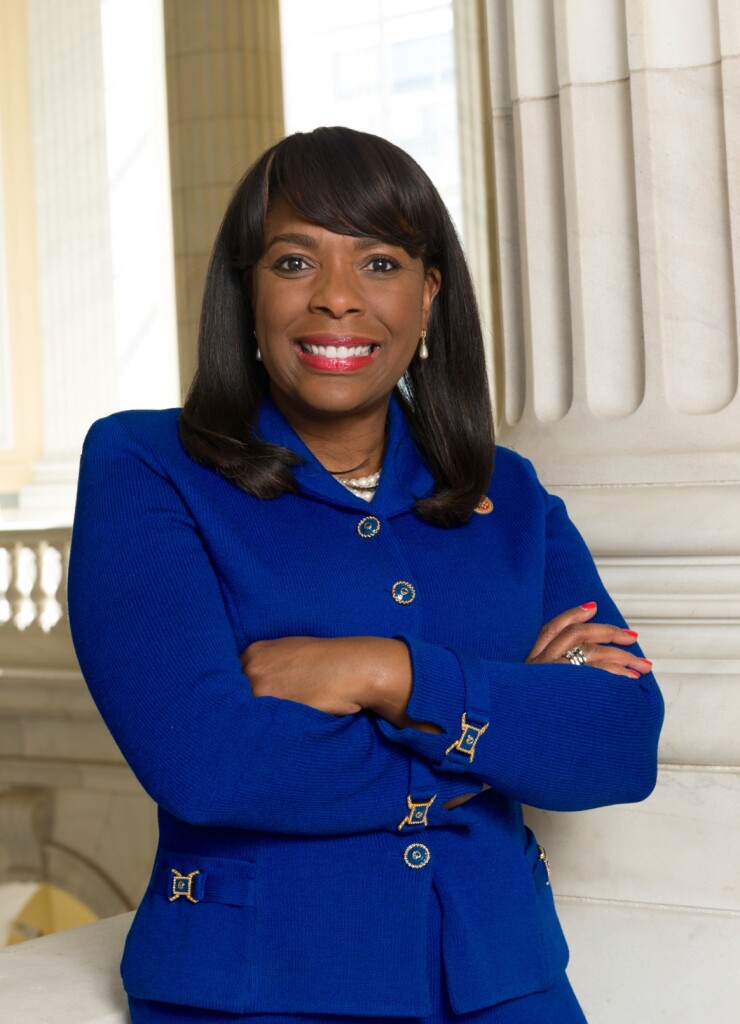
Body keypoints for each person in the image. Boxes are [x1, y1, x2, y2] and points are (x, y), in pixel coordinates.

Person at [67, 126, 664, 1024]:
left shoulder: (506, 490)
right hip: (259, 993)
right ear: (247, 290)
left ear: (428, 296)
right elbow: (207, 762)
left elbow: (619, 742)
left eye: (380, 263)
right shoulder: (146, 465)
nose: (337, 297)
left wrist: (388, 673)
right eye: (294, 261)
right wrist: (500, 738)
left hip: (509, 984)